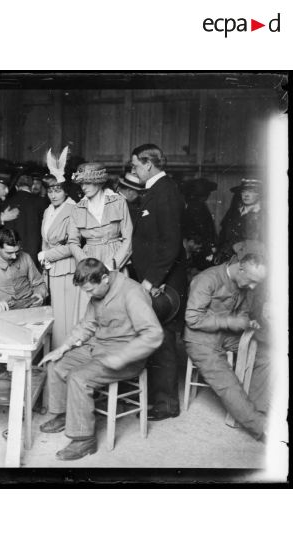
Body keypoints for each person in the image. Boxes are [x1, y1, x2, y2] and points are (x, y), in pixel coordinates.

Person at [39, 258, 163, 461]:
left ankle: (84, 439)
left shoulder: (132, 293)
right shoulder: (99, 292)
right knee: (56, 365)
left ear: (105, 278)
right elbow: (87, 325)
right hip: (99, 347)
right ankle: (66, 414)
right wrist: (62, 348)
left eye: (89, 290)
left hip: (125, 355)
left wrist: (122, 357)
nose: (88, 295)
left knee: (79, 378)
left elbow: (154, 334)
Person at [184, 253, 270, 441]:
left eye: (257, 283)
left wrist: (246, 322)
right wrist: (232, 321)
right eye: (252, 281)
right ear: (240, 268)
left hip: (226, 336)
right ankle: (261, 429)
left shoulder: (244, 283)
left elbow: (243, 312)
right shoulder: (207, 279)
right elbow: (192, 318)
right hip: (200, 340)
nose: (253, 287)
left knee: (266, 356)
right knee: (228, 383)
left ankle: (258, 410)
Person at [130, 143, 187, 421]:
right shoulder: (157, 190)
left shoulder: (165, 192)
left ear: (148, 164)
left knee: (163, 339)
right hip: (156, 278)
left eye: (135, 166)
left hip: (164, 283)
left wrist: (151, 280)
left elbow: (170, 244)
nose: (133, 171)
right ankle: (157, 398)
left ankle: (166, 404)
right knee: (155, 337)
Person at [67, 162, 133, 317]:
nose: (84, 186)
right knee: (90, 312)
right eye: (81, 183)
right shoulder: (77, 208)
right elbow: (73, 242)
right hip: (89, 262)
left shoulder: (118, 202)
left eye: (88, 182)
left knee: (117, 310)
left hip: (115, 261)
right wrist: (86, 264)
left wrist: (112, 265)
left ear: (99, 181)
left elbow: (128, 238)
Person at [37, 175, 78, 348]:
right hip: (51, 269)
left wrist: (47, 256)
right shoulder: (48, 210)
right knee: (55, 315)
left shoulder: (73, 209)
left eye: (58, 190)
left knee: (64, 318)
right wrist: (44, 260)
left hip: (67, 268)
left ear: (66, 191)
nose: (53, 195)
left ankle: (64, 356)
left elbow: (73, 246)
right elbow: (45, 240)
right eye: (50, 191)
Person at [0, 228, 48, 312]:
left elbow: (39, 283)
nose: (14, 257)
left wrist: (39, 294)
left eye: (17, 251)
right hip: (3, 309)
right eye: (9, 253)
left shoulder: (26, 257)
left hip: (28, 306)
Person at [2, 174, 49, 267]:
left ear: (16, 187)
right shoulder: (41, 202)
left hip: (12, 251)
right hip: (34, 252)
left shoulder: (6, 203)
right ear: (32, 187)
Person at [217, 179, 264, 263]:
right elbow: (224, 234)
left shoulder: (262, 214)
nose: (246, 195)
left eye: (251, 192)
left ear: (259, 194)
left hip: (250, 260)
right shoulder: (234, 211)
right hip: (228, 258)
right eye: (243, 192)